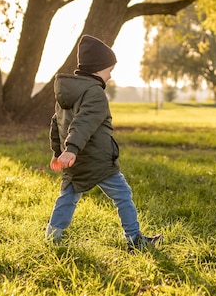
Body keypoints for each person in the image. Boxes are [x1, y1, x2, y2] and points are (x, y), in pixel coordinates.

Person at [46, 34, 161, 251]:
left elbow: (57, 124)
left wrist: (58, 151)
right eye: (109, 71)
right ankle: (134, 239)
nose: (109, 76)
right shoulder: (95, 93)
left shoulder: (66, 94)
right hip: (96, 160)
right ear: (98, 70)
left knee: (68, 197)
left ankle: (52, 238)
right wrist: (71, 149)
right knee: (123, 195)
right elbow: (84, 123)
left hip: (75, 160)